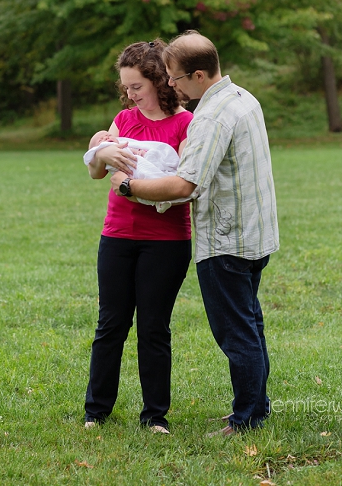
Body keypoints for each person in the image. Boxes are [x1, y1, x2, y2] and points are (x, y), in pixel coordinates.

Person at [111, 31, 279, 434]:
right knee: (250, 324)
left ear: (199, 74)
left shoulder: (212, 117)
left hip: (227, 241)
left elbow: (185, 186)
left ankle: (246, 420)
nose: (171, 85)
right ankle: (257, 407)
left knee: (236, 333)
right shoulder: (243, 99)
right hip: (256, 236)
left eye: (176, 78)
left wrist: (127, 186)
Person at [84, 39, 193, 433]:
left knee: (153, 327)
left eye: (137, 87)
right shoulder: (124, 119)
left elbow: (184, 187)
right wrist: (102, 155)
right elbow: (98, 175)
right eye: (126, 87)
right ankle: (96, 412)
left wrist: (133, 180)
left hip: (166, 241)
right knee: (110, 324)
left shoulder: (186, 124)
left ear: (162, 82)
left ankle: (154, 417)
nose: (130, 95)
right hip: (117, 235)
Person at [84, 131, 187, 212]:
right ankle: (159, 202)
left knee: (153, 175)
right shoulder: (123, 117)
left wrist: (128, 186)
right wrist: (101, 154)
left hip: (168, 229)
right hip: (118, 225)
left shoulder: (185, 121)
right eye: (100, 140)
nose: (105, 138)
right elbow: (95, 174)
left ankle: (160, 200)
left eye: (107, 135)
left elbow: (186, 185)